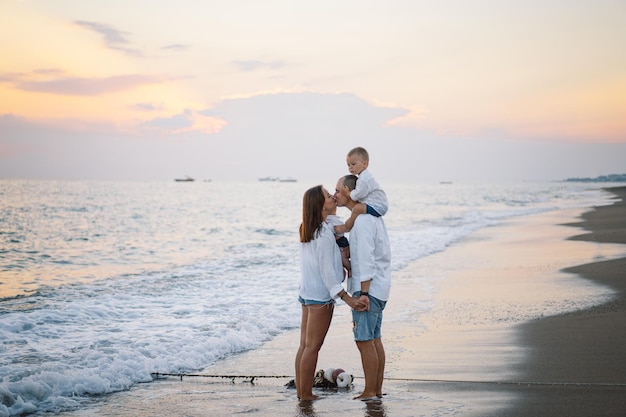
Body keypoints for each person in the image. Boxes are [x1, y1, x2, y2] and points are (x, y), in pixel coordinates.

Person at [295, 185, 365, 401]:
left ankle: (302, 392)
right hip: (320, 297)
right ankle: (306, 395)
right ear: (319, 204)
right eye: (328, 196)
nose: (333, 197)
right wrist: (348, 299)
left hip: (308, 293)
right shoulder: (323, 235)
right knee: (313, 348)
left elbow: (340, 226)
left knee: (305, 346)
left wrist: (342, 212)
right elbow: (327, 274)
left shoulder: (311, 227)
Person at [334, 174, 391, 401]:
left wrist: (363, 293)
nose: (335, 194)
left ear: (349, 190)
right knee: (374, 339)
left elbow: (367, 258)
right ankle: (375, 390)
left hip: (368, 289)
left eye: (338, 190)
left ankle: (370, 391)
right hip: (378, 286)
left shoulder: (364, 220)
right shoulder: (367, 217)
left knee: (364, 340)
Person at [334, 147, 388, 234]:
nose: (350, 167)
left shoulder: (364, 179)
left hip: (378, 206)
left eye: (353, 164)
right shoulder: (363, 178)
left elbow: (358, 195)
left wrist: (348, 194)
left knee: (357, 208)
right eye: (348, 165)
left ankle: (347, 226)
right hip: (378, 205)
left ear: (365, 164)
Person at [325, 204, 352, 278]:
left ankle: (350, 269)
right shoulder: (332, 218)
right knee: (342, 259)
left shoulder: (331, 220)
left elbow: (337, 229)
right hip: (340, 241)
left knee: (344, 259)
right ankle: (345, 271)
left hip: (340, 241)